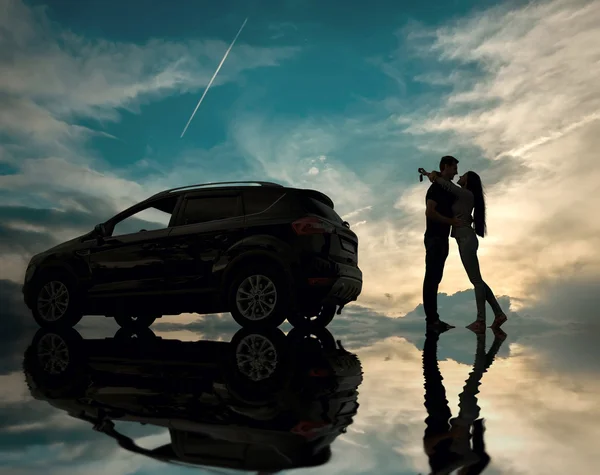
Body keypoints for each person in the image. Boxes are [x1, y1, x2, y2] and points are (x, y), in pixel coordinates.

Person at [424, 168, 508, 332]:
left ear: (467, 182)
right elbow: (448, 189)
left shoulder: (466, 194)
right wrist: (433, 175)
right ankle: (498, 313)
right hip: (464, 239)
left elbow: (447, 186)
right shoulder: (463, 196)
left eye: (463, 176)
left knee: (476, 281)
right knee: (478, 280)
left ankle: (481, 321)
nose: (459, 175)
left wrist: (433, 176)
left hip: (466, 240)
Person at [423, 156, 463, 331]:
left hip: (442, 238)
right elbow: (430, 212)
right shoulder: (435, 189)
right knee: (431, 278)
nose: (456, 172)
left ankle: (434, 320)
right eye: (454, 168)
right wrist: (451, 221)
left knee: (435, 278)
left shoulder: (445, 188)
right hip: (434, 238)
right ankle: (432, 321)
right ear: (446, 167)